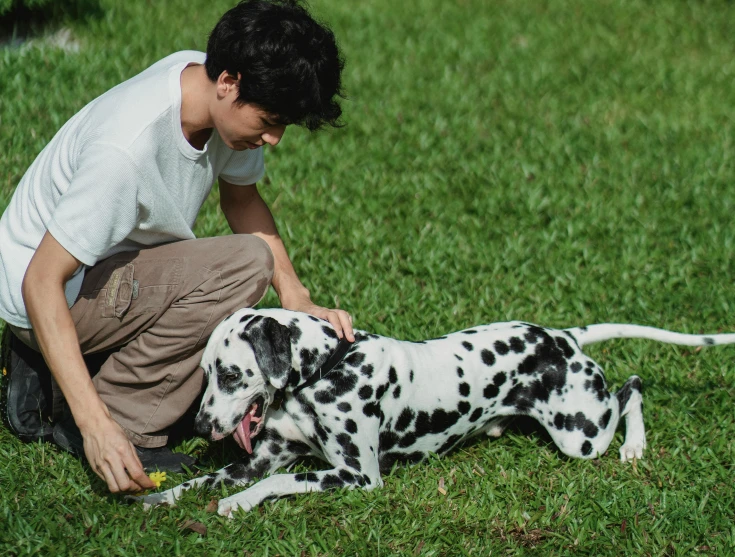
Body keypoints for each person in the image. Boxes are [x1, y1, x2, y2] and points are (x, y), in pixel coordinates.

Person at [0, 0, 354, 495]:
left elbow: (242, 197)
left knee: (249, 266)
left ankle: (49, 374)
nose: (274, 138)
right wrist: (97, 426)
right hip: (42, 292)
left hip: (88, 272)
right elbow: (41, 281)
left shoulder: (206, 84)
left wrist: (296, 295)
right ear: (229, 83)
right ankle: (120, 412)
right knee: (243, 265)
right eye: (270, 119)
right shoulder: (126, 151)